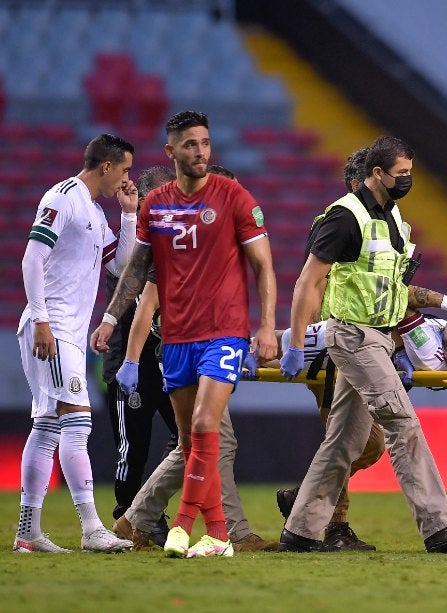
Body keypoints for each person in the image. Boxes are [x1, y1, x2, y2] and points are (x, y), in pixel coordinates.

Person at [278, 134, 447, 554]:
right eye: (401, 174)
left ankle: (299, 531)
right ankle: (437, 526)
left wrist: (407, 338)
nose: (408, 180)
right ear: (376, 174)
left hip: (378, 339)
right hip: (353, 335)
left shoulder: (392, 219)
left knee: (344, 442)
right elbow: (308, 282)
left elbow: (394, 288)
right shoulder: (344, 217)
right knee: (402, 423)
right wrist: (295, 343)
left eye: (410, 173)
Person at [91, 110, 278, 559]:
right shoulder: (161, 211)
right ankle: (185, 526)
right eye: (191, 145)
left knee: (204, 431)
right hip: (175, 342)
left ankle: (187, 527)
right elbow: (143, 284)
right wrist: (118, 332)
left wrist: (268, 326)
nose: (200, 152)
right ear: (172, 151)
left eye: (206, 144)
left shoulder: (232, 201)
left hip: (222, 335)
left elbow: (263, 266)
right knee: (195, 441)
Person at [15, 133, 138, 553]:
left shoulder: (96, 212)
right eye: (124, 170)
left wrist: (127, 216)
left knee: (48, 426)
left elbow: (120, 264)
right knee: (77, 422)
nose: (126, 178)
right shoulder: (63, 197)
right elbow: (32, 257)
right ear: (106, 166)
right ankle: (91, 528)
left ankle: (28, 533)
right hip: (52, 328)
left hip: (63, 330)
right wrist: (43, 320)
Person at [102, 165, 177, 541]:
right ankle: (128, 519)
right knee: (133, 447)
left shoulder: (180, 241)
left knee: (187, 438)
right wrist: (129, 214)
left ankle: (146, 511)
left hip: (171, 358)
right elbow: (128, 271)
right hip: (131, 363)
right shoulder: (133, 244)